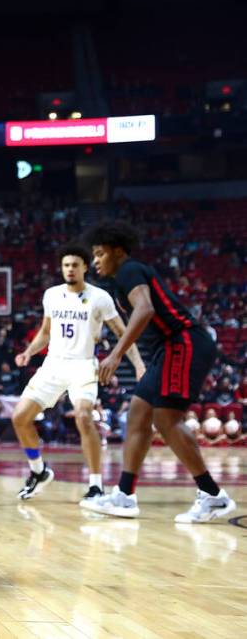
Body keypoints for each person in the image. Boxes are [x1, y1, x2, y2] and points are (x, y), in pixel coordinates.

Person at [80, 222, 236, 522]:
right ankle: (124, 496)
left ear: (118, 250)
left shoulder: (129, 270)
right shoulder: (121, 278)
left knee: (167, 419)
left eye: (100, 254)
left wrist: (116, 354)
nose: (95, 260)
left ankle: (213, 496)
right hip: (169, 348)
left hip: (183, 342)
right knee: (139, 412)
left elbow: (145, 309)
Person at [11, 244, 145, 502]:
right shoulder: (51, 295)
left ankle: (96, 485)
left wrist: (138, 364)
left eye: (75, 265)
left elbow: (122, 332)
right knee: (20, 417)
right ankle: (38, 471)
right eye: (66, 265)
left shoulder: (100, 297)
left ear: (85, 267)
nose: (70, 269)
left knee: (83, 416)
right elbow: (46, 332)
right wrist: (29, 352)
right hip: (53, 364)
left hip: (83, 364)